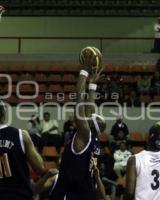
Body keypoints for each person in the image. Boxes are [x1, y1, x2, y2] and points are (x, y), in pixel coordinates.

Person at [50, 47, 108, 200]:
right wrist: (92, 85)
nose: (89, 115)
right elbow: (89, 109)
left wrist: (83, 72)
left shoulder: (84, 134)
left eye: (90, 117)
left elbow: (79, 101)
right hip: (86, 193)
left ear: (89, 124)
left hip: (70, 194)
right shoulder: (94, 139)